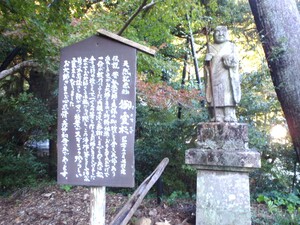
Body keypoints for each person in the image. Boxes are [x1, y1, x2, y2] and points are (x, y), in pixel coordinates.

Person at [204, 26, 241, 122]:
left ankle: (229, 114)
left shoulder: (231, 46)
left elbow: (236, 61)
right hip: (214, 74)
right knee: (215, 94)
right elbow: (206, 66)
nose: (220, 34)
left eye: (223, 32)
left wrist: (230, 59)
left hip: (227, 75)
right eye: (217, 32)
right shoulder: (210, 47)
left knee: (227, 93)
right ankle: (218, 114)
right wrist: (207, 61)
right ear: (213, 34)